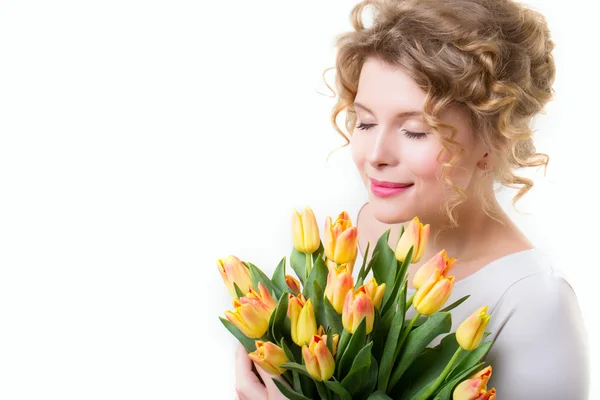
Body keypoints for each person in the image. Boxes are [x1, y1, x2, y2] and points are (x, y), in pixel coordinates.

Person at [235, 0, 590, 398]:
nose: (375, 155)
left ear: (494, 142)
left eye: (415, 131)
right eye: (365, 122)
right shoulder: (353, 237)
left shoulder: (536, 304)